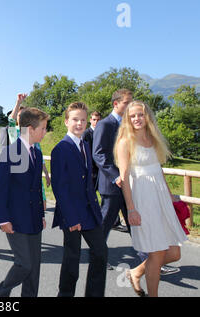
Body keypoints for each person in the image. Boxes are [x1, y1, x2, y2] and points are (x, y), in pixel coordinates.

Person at [114, 101, 187, 297]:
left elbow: (158, 170)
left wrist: (171, 197)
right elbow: (125, 178)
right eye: (133, 116)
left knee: (173, 252)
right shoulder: (125, 142)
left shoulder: (153, 138)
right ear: (127, 120)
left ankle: (136, 272)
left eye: (140, 115)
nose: (137, 119)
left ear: (147, 117)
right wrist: (131, 209)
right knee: (156, 253)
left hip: (160, 198)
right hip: (143, 200)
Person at [51, 102, 107, 297]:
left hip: (90, 211)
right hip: (72, 213)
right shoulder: (61, 148)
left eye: (83, 120)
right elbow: (60, 187)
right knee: (72, 258)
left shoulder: (86, 144)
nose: (80, 123)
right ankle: (65, 294)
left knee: (100, 252)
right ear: (67, 121)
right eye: (75, 119)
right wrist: (71, 217)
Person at [0, 107, 48, 297]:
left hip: (34, 218)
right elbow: (2, 189)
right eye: (43, 128)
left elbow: (36, 188)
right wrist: (2, 218)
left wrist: (41, 215)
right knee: (24, 264)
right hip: (14, 219)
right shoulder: (10, 152)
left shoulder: (37, 153)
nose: (45, 132)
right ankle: (3, 289)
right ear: (30, 129)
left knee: (34, 267)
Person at [92, 89, 133, 269]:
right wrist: (115, 176)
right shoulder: (104, 124)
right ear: (116, 104)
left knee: (134, 221)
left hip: (129, 184)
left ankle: (150, 259)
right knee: (105, 223)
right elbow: (99, 154)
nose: (130, 105)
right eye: (127, 102)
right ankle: (98, 257)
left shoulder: (129, 124)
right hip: (112, 184)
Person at [6, 93, 51, 209]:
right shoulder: (13, 131)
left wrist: (45, 173)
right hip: (19, 173)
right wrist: (18, 103)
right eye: (19, 115)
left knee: (42, 206)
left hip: (34, 174)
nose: (21, 118)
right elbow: (11, 119)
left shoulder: (33, 133)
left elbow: (39, 155)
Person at [82, 111, 101, 192]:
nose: (96, 122)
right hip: (91, 169)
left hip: (100, 169)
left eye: (98, 120)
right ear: (90, 120)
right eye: (94, 119)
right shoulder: (86, 134)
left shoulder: (101, 132)